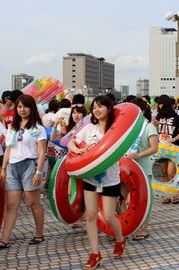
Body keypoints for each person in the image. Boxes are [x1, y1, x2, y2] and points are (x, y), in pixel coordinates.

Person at [67, 95, 126, 268]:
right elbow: (72, 142)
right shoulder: (89, 128)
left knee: (108, 216)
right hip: (91, 178)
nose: (97, 110)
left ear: (109, 108)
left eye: (100, 107)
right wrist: (78, 150)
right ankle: (95, 253)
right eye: (94, 108)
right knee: (90, 216)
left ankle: (120, 239)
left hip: (110, 178)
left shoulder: (116, 130)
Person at [0, 94, 47, 248]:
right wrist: (3, 169)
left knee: (33, 203)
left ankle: (39, 234)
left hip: (30, 166)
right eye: (19, 107)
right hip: (12, 167)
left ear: (32, 108)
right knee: (11, 205)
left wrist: (39, 172)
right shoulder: (12, 127)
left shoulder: (38, 128)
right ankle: (5, 239)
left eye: (25, 106)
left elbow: (42, 152)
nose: (22, 109)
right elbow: (8, 148)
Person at [126, 98, 159, 241]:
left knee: (143, 200)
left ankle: (143, 229)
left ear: (143, 111)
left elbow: (154, 148)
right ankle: (126, 227)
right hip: (126, 169)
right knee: (124, 199)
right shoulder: (127, 127)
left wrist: (138, 155)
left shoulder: (149, 127)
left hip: (143, 169)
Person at [152, 94, 179, 204]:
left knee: (171, 173)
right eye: (159, 104)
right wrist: (155, 126)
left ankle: (175, 195)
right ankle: (167, 195)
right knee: (164, 173)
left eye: (162, 103)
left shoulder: (175, 117)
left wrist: (173, 139)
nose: (160, 106)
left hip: (173, 148)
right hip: (161, 148)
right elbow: (156, 133)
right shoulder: (158, 117)